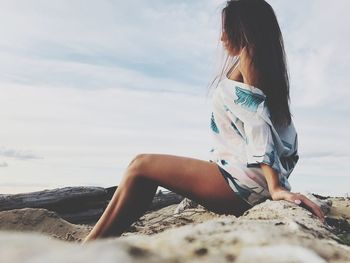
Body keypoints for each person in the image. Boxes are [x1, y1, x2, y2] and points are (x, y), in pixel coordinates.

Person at [82, 0, 324, 243]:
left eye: (225, 29)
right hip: (248, 179)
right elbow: (283, 137)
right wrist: (276, 181)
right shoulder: (266, 68)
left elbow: (257, 123)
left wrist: (275, 187)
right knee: (142, 171)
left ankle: (90, 245)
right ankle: (99, 241)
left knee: (140, 164)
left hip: (243, 185)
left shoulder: (248, 56)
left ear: (244, 29)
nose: (221, 38)